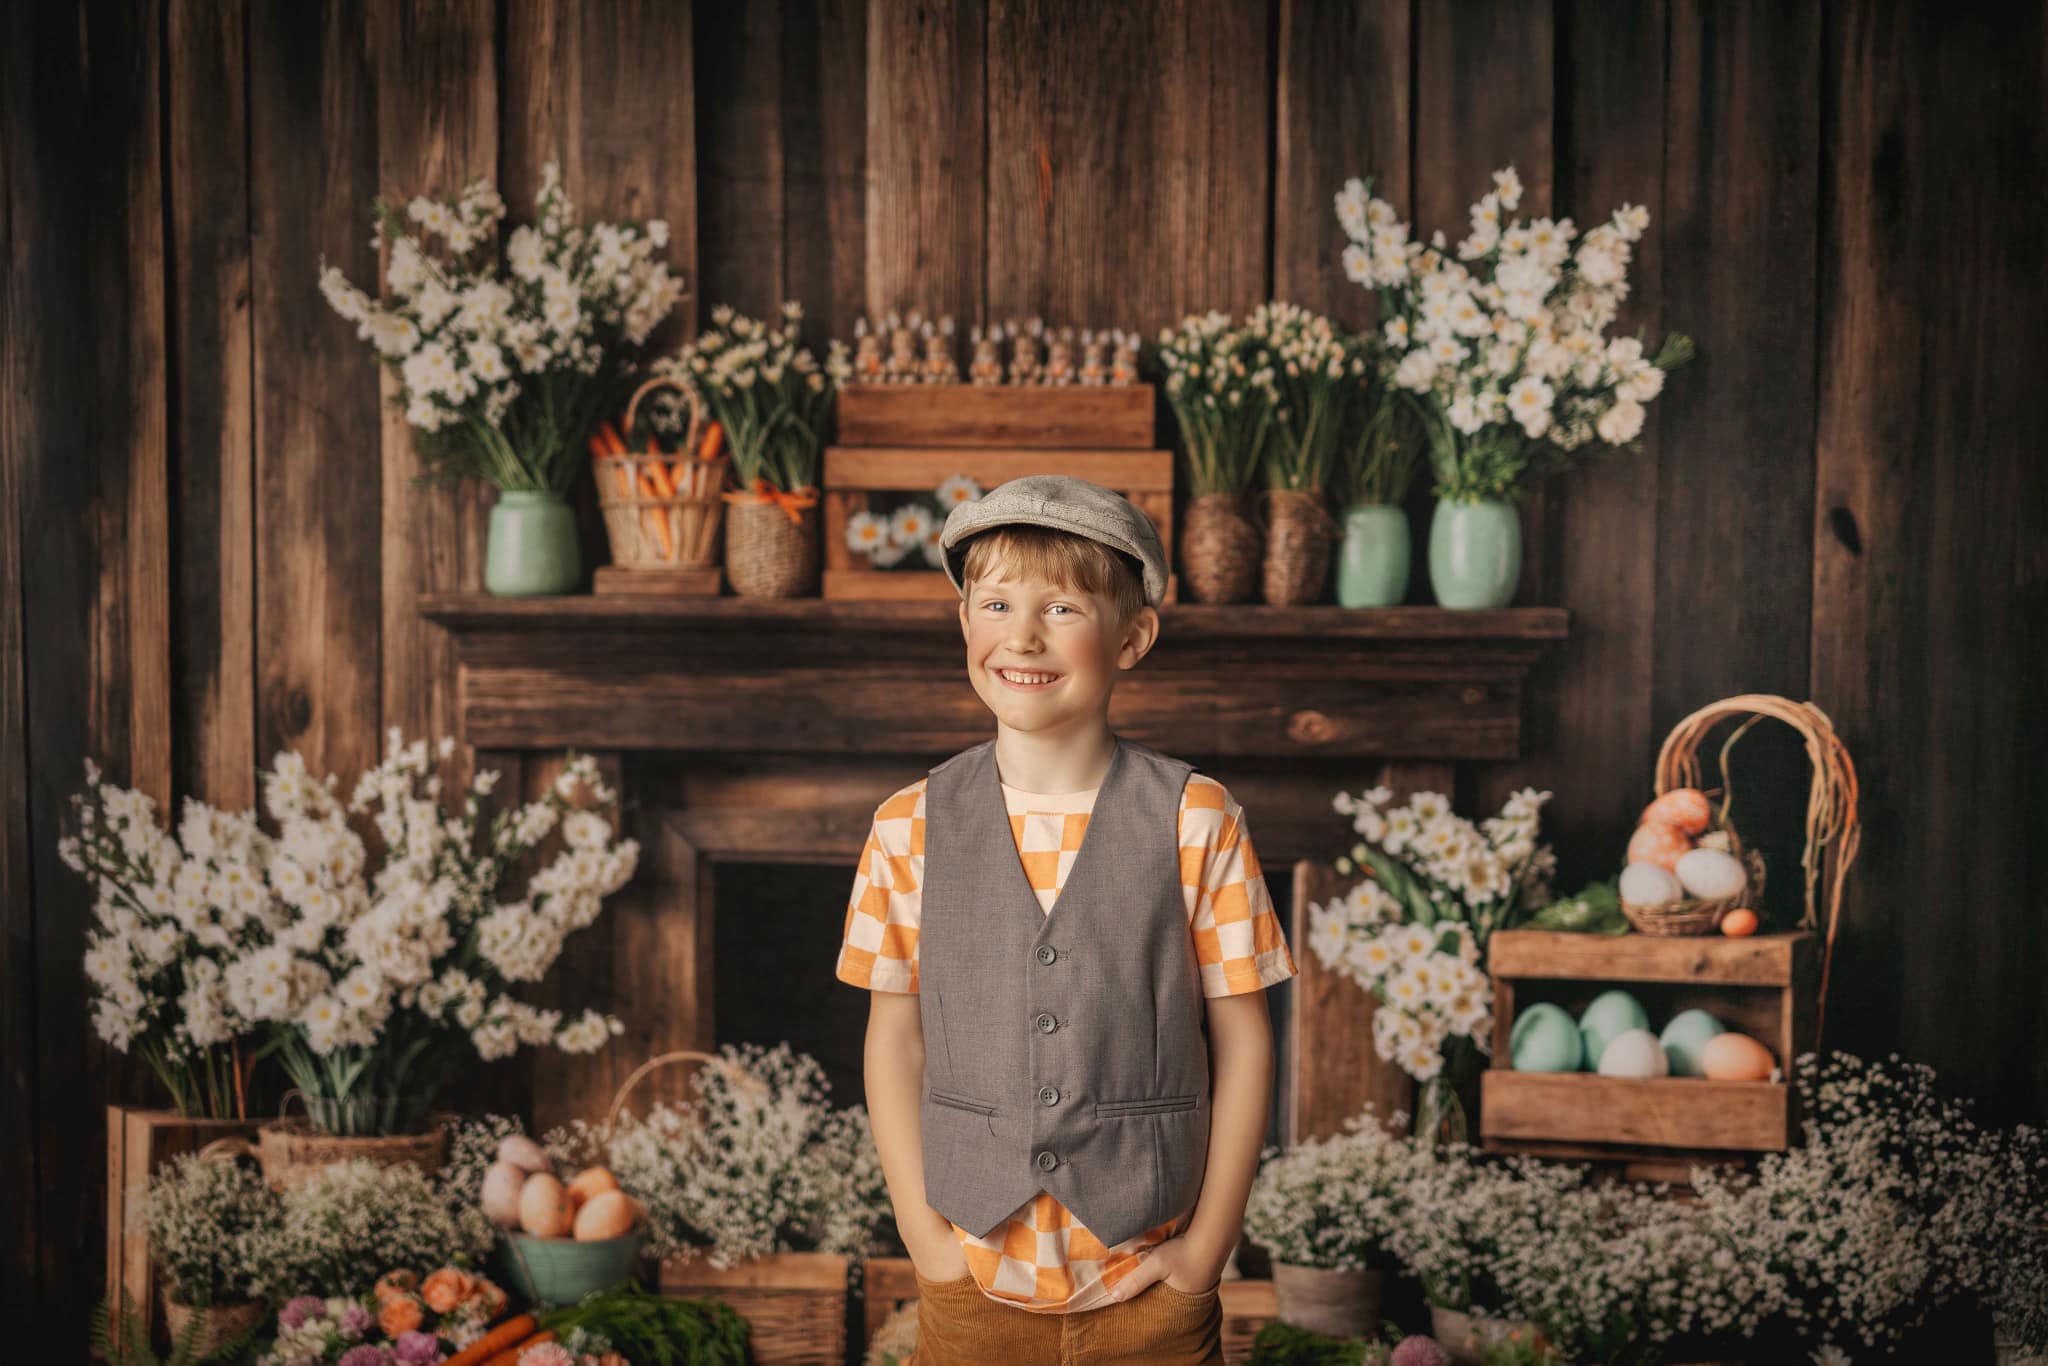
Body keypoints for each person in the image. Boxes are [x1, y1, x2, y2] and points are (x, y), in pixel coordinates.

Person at [834, 474, 1298, 1364]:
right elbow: (892, 1040)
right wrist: (925, 1239)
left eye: (1062, 609)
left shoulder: (1198, 818)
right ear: (964, 622)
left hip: (1148, 1288)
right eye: (996, 602)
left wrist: (1205, 1255)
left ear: (1133, 638)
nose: (1022, 635)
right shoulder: (907, 826)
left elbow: (1245, 1042)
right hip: (971, 1284)